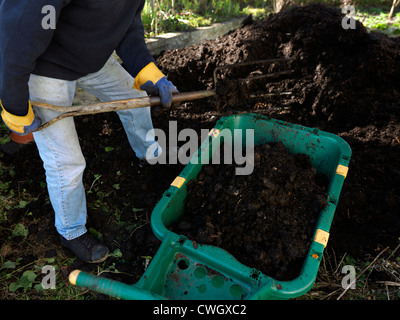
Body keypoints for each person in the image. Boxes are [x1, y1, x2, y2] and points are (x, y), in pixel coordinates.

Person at [0, 0, 179, 263]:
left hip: (89, 59)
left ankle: (150, 154)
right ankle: (71, 230)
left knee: (136, 100)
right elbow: (15, 39)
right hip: (45, 66)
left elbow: (128, 23)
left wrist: (144, 67)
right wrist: (14, 105)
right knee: (66, 161)